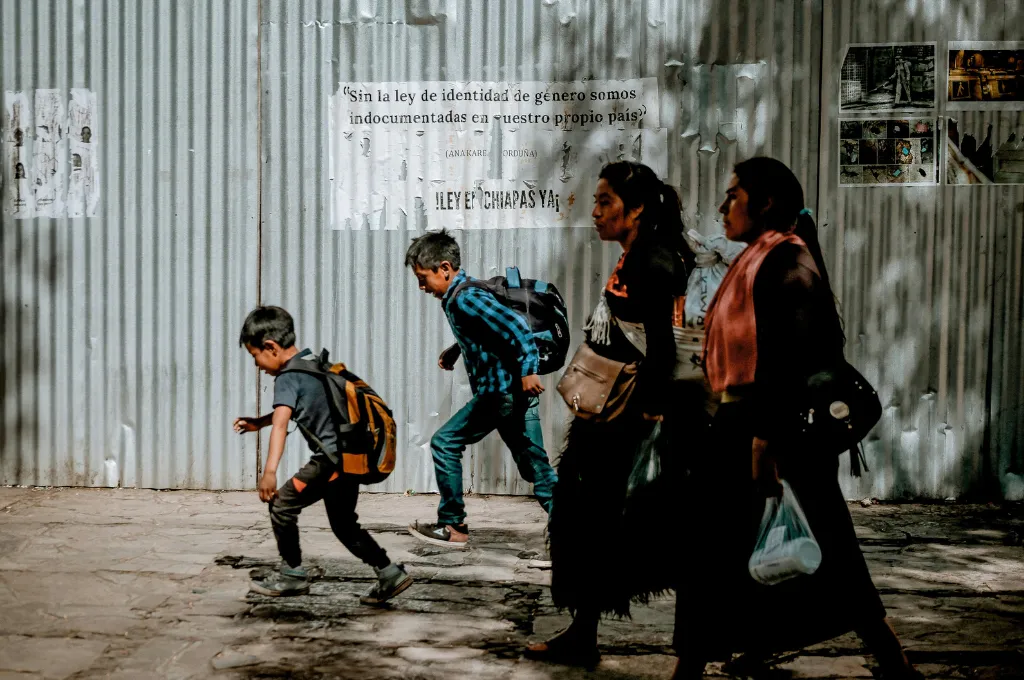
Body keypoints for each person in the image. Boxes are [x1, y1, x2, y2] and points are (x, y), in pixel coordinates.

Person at [671, 157, 920, 679]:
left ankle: (892, 661)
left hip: (774, 434)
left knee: (829, 551)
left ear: (764, 204)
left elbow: (796, 361)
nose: (722, 206)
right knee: (712, 552)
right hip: (741, 426)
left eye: (733, 195)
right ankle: (697, 664)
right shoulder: (755, 259)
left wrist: (765, 440)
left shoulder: (788, 264)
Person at [524, 161, 699, 667]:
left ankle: (692, 656)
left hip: (632, 423)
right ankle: (583, 634)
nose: (595, 212)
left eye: (605, 202)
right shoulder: (637, 255)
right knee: (590, 525)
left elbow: (663, 349)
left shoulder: (655, 261)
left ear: (637, 208)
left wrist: (648, 418)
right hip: (610, 420)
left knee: (648, 531)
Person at [234, 306, 413, 604]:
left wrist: (269, 472)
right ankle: (389, 573)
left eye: (256, 357)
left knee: (281, 505)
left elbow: (281, 424)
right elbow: (289, 411)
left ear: (271, 347)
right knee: (344, 525)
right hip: (349, 459)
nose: (257, 365)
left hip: (329, 462)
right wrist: (258, 422)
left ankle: (292, 574)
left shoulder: (287, 377)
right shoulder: (313, 365)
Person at [404, 229, 557, 549]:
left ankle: (453, 524)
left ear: (444, 268)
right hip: (508, 394)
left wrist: (530, 370)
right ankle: (575, 528)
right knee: (534, 468)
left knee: (444, 442)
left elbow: (515, 326)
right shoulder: (462, 295)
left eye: (423, 277)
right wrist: (456, 350)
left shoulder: (465, 297)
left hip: (499, 394)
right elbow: (487, 330)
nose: (421, 286)